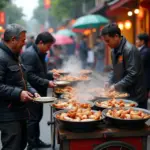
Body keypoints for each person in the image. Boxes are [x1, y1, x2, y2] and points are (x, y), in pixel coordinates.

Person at [0, 24, 39, 150]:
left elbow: (22, 79)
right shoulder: (1, 57)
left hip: (20, 111)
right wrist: (19, 93)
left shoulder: (15, 55)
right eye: (22, 40)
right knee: (12, 146)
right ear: (13, 40)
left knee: (21, 144)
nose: (25, 43)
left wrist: (32, 91)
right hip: (8, 114)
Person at [21, 32, 58, 150]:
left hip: (39, 90)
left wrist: (51, 75)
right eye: (48, 46)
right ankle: (31, 144)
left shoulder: (39, 53)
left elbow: (39, 73)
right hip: (32, 91)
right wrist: (47, 82)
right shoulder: (30, 54)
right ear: (40, 43)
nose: (49, 49)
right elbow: (29, 76)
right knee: (33, 118)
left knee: (38, 116)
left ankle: (36, 140)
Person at [101, 23, 147, 109]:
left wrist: (116, 86)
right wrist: (109, 81)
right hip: (124, 93)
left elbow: (133, 74)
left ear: (116, 36)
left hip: (136, 96)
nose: (107, 44)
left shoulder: (129, 50)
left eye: (108, 41)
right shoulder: (113, 50)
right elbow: (114, 69)